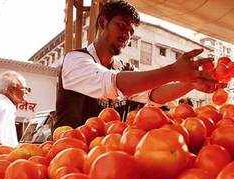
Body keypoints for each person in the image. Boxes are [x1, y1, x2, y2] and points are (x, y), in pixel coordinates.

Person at [55, 0, 222, 128]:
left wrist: (191, 82)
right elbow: (110, 83)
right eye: (121, 26)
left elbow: (153, 94)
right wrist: (173, 71)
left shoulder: (125, 69)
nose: (126, 35)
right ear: (103, 22)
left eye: (131, 32)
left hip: (109, 156)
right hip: (69, 159)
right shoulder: (75, 60)